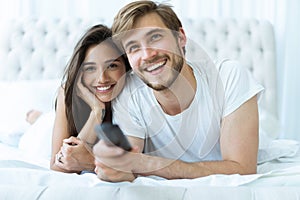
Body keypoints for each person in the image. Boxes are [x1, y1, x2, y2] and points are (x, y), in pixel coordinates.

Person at [93, 0, 264, 182]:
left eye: (155, 37)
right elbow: (129, 164)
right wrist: (110, 167)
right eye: (134, 47)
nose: (147, 55)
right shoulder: (129, 92)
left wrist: (148, 164)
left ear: (180, 37)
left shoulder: (227, 76)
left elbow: (242, 169)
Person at [50, 24, 130, 173]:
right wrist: (97, 112)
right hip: (44, 132)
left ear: (126, 66)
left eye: (112, 66)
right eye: (90, 68)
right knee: (39, 123)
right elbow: (58, 165)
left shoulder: (136, 95)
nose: (102, 79)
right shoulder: (67, 93)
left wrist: (88, 161)